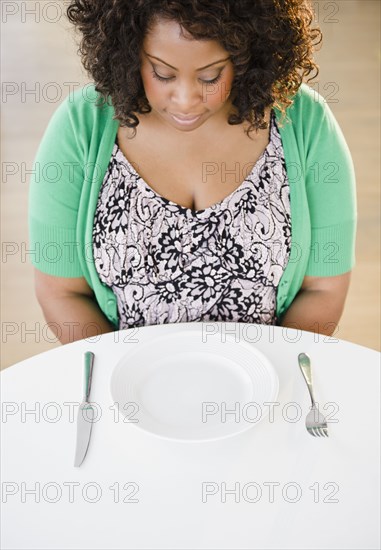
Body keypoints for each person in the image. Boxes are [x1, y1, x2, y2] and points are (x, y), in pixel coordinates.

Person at [28, 0, 357, 344]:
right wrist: (124, 379)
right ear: (128, 49)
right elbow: (61, 292)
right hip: (127, 383)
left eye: (211, 75)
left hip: (269, 379)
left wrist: (271, 374)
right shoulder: (81, 126)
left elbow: (325, 288)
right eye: (162, 73)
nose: (185, 100)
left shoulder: (304, 122)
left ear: (247, 52)